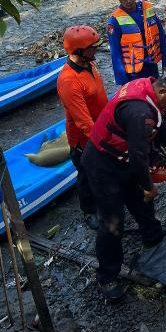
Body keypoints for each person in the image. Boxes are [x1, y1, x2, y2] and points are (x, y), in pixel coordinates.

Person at [81, 70, 166, 301]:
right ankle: (107, 276)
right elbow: (139, 156)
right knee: (113, 221)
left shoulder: (150, 87)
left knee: (141, 202)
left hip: (125, 158)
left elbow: (159, 122)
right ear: (163, 91)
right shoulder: (139, 112)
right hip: (103, 163)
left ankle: (152, 235)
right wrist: (149, 186)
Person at [57, 25, 108, 230]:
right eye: (92, 47)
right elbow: (84, 122)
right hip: (84, 140)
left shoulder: (90, 64)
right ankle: (89, 211)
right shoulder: (69, 81)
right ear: (78, 50)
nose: (96, 49)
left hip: (101, 127)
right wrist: (105, 143)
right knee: (87, 175)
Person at [107, 0, 166, 85]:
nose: (128, 0)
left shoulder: (147, 9)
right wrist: (123, 81)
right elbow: (115, 53)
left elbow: (161, 36)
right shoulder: (114, 21)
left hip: (152, 65)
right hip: (133, 73)